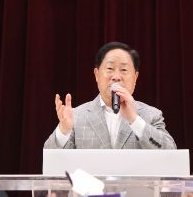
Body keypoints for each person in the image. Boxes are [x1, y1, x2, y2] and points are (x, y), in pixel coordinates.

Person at [44, 42, 176, 149]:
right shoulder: (76, 116)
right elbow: (51, 159)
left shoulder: (151, 115)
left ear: (135, 77)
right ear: (96, 75)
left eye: (124, 70)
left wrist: (135, 120)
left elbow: (169, 152)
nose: (116, 77)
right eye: (110, 69)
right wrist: (63, 131)